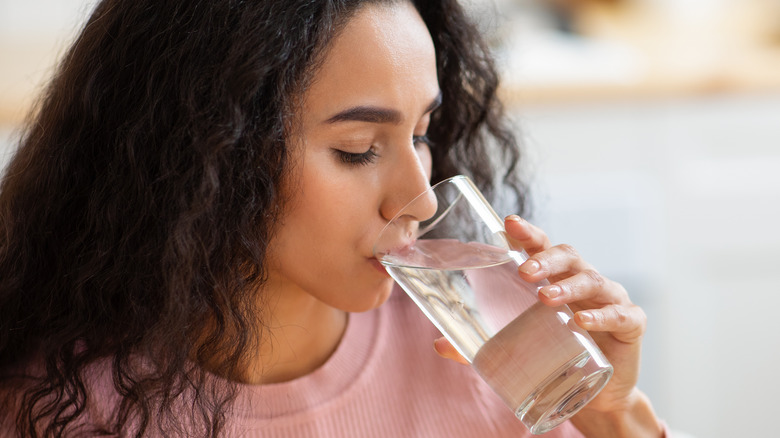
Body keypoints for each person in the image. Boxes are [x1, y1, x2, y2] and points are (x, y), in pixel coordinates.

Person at [0, 0, 667, 436]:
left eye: (423, 133)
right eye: (358, 150)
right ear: (209, 151)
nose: (424, 199)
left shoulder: (492, 356)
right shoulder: (63, 408)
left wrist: (614, 416)